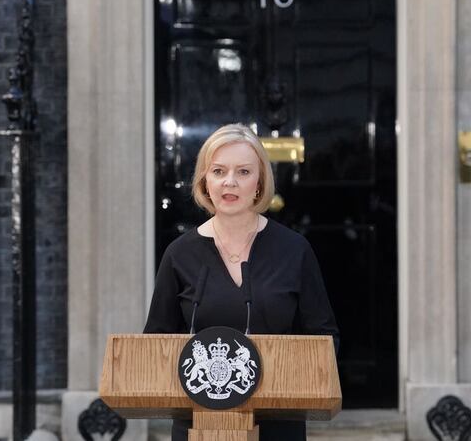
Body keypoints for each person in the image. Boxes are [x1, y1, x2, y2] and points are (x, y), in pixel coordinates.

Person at [144, 123, 339, 441]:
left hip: (278, 425)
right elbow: (156, 343)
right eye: (218, 171)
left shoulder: (294, 250)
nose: (229, 182)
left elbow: (324, 339)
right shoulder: (179, 254)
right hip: (197, 425)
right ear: (205, 181)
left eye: (243, 172)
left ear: (260, 182)